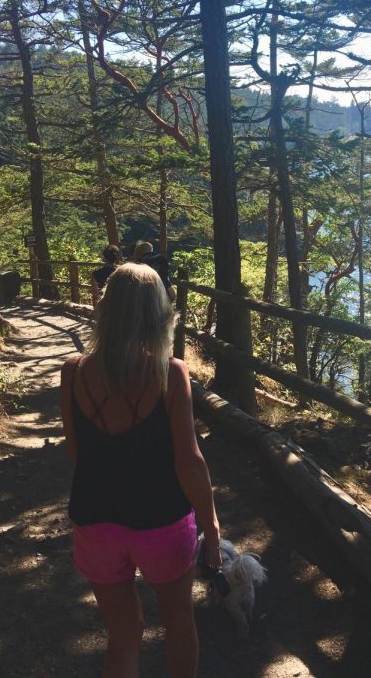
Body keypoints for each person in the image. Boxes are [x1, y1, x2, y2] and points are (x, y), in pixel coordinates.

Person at [60, 263, 221, 678]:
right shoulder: (170, 373)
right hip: (162, 523)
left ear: (106, 309)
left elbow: (78, 452)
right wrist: (212, 526)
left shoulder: (73, 371)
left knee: (123, 634)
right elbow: (189, 461)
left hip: (95, 522)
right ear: (158, 313)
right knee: (179, 624)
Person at [90, 244, 122, 308]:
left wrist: (95, 310)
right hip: (119, 306)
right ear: (116, 258)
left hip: (103, 306)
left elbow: (95, 295)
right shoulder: (122, 272)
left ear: (104, 258)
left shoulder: (95, 274)